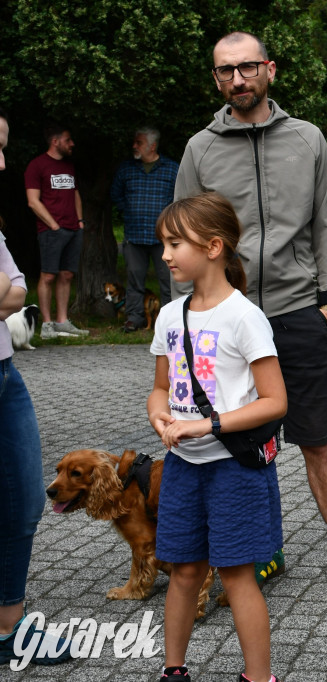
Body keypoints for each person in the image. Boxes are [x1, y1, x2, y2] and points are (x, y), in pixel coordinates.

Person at [175, 31, 327, 602]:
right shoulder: (201, 149)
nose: (236, 80)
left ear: (270, 70)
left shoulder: (308, 140)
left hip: (296, 311)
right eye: (224, 72)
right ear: (216, 79)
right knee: (243, 443)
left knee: (316, 438)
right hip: (226, 318)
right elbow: (180, 234)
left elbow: (326, 223)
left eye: (246, 68)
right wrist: (184, 315)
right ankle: (263, 548)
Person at [148, 193, 286, 682]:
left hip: (234, 468)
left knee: (236, 575)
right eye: (164, 243)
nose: (165, 254)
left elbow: (274, 401)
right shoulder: (169, 316)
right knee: (183, 571)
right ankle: (174, 670)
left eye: (174, 243)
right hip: (185, 466)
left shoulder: (244, 317)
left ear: (212, 246)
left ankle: (258, 677)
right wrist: (161, 416)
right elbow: (161, 388)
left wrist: (205, 424)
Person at [0, 107, 72, 668]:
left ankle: (8, 626)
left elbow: (12, 291)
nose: (2, 161)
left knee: (25, 500)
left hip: (5, 372)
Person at [23, 123, 88, 339]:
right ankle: (47, 325)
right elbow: (33, 201)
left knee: (67, 275)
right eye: (68, 140)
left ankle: (62, 321)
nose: (72, 144)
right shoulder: (37, 165)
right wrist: (52, 224)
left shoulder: (69, 166)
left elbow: (75, 193)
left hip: (72, 228)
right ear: (55, 141)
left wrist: (79, 221)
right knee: (48, 276)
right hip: (51, 231)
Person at [110, 126, 178, 332]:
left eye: (138, 142)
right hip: (134, 234)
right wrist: (129, 211)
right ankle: (134, 318)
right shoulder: (127, 168)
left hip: (163, 238)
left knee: (168, 280)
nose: (134, 146)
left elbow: (181, 198)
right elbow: (116, 194)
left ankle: (170, 320)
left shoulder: (172, 169)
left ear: (152, 145)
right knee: (134, 280)